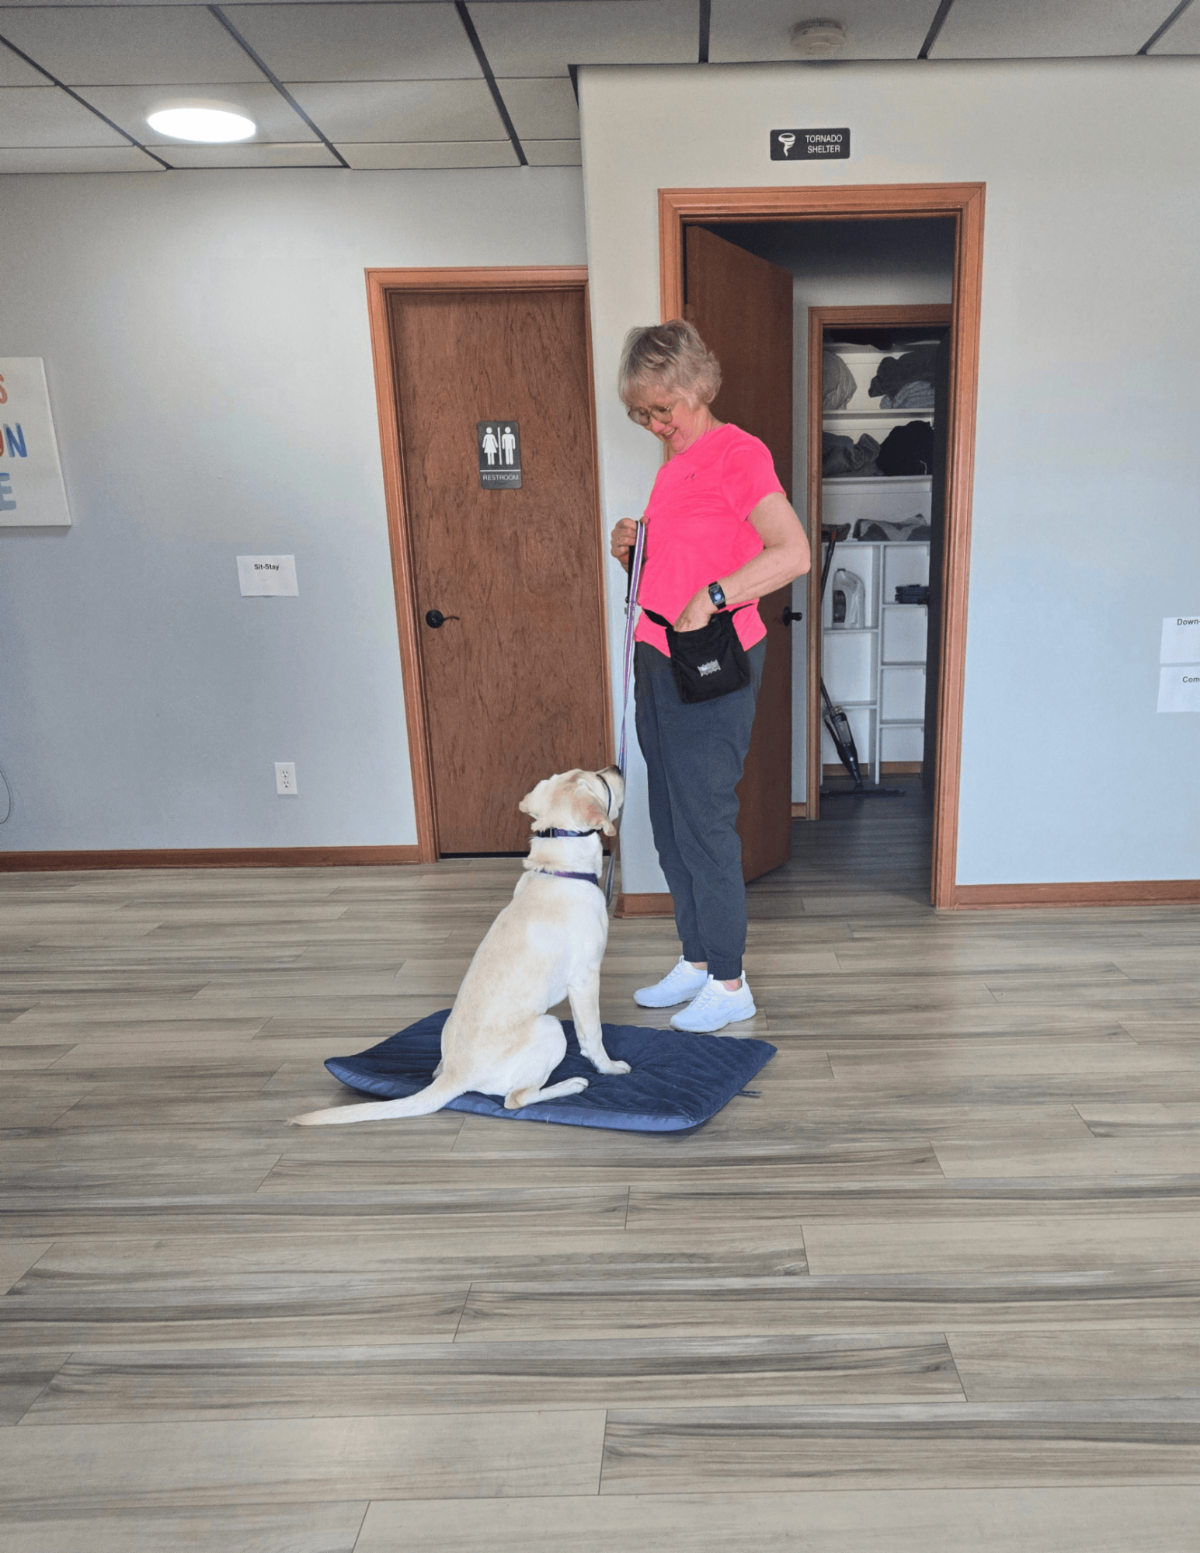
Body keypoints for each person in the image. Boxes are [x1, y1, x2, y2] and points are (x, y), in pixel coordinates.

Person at [610, 320, 811, 1033]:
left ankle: (729, 981)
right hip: (656, 654)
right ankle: (695, 959)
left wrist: (716, 595)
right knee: (668, 820)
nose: (655, 425)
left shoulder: (738, 453)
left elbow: (793, 553)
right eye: (641, 414)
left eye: (663, 408)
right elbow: (683, 560)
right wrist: (631, 549)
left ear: (698, 385)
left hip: (712, 662)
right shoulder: (673, 468)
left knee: (704, 819)